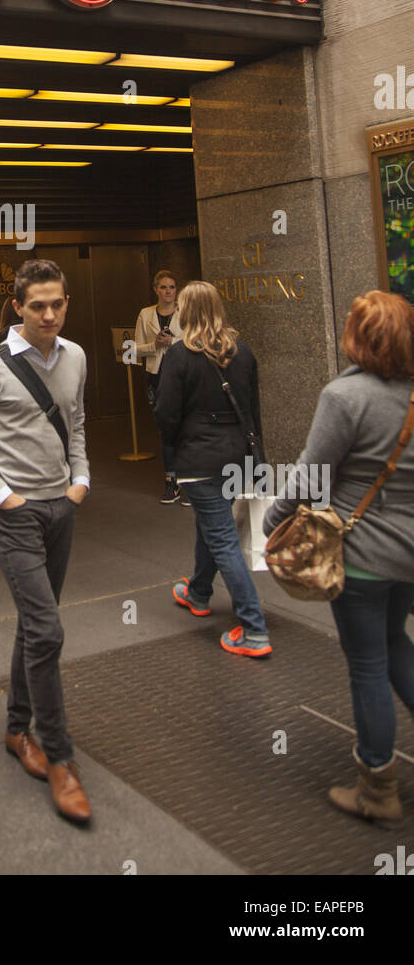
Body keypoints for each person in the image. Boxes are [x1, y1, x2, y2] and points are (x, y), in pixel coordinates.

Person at [0, 258, 92, 824]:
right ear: (17, 307)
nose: (49, 314)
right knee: (48, 629)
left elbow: (74, 422)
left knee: (36, 623)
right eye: (38, 306)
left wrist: (80, 479)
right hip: (14, 513)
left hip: (63, 506)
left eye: (57, 304)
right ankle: (59, 757)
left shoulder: (75, 355)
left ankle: (15, 728)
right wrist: (2, 494)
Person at [263, 290, 414, 827]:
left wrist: (273, 518)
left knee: (369, 664)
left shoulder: (345, 398)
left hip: (363, 556)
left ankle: (377, 787)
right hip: (409, 557)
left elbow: (311, 473)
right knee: (396, 642)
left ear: (356, 337)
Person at [154, 280, 272, 658]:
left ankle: (254, 628)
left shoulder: (178, 356)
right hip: (238, 455)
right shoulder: (243, 352)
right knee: (214, 524)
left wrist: (175, 446)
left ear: (184, 312)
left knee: (221, 537)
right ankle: (198, 592)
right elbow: (252, 412)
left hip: (199, 458)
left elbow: (165, 413)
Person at [135, 270, 184, 504]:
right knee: (166, 431)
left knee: (186, 429)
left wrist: (172, 342)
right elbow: (134, 349)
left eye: (172, 287)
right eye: (163, 287)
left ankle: (190, 483)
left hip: (182, 376)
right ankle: (171, 482)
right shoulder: (145, 314)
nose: (168, 292)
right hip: (156, 376)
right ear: (156, 290)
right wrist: (155, 344)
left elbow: (194, 341)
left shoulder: (185, 312)